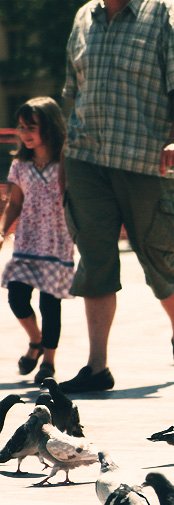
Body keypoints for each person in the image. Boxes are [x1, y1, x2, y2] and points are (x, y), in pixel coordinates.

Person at [60, 0, 174, 393]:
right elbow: (75, 93)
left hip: (148, 159)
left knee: (157, 252)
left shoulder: (164, 13)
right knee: (94, 257)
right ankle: (97, 366)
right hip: (86, 157)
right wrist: (64, 160)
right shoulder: (85, 16)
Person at [0, 98, 73, 385]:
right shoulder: (20, 164)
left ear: (50, 127)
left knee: (49, 304)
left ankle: (49, 362)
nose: (24, 133)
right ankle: (36, 339)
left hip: (57, 243)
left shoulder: (65, 162)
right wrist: (3, 232)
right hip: (27, 242)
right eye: (21, 127)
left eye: (31, 127)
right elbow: (14, 203)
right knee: (16, 295)